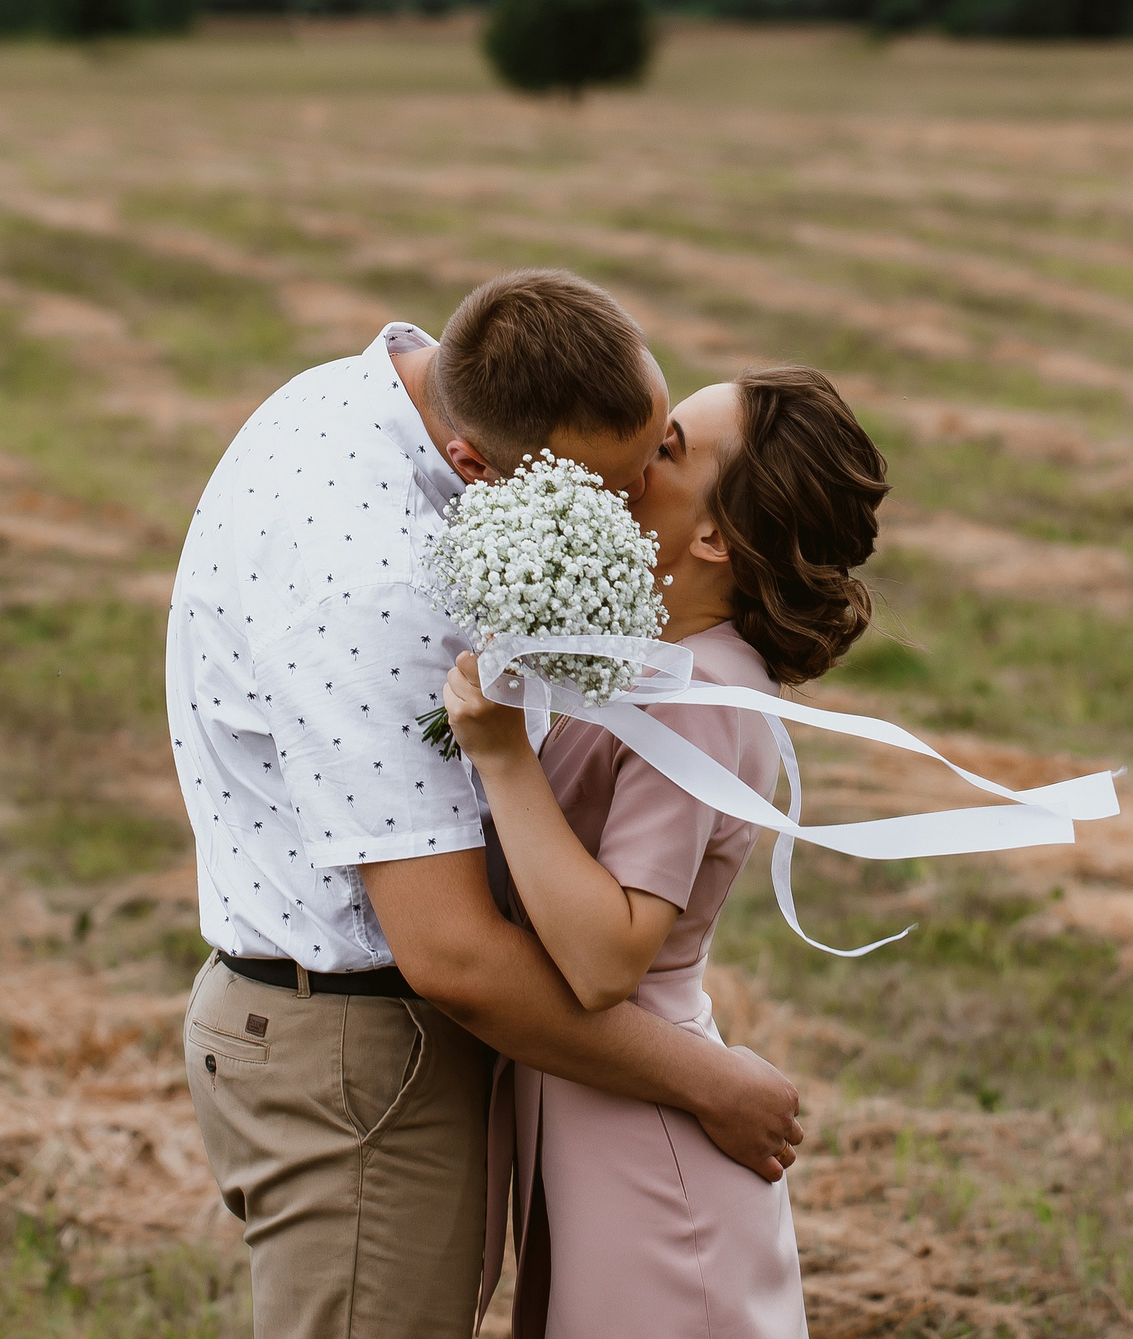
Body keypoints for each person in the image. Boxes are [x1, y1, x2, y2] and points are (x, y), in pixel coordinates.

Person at [167, 271, 806, 1339]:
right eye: (611, 484)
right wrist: (709, 1081)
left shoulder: (362, 396)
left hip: (384, 1043)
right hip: (360, 1057)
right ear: (476, 462)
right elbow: (455, 957)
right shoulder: (378, 588)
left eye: (657, 456)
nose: (631, 504)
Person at [442, 366, 890, 1339]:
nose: (637, 457)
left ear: (716, 536)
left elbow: (608, 959)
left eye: (668, 449)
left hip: (650, 1160)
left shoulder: (695, 699)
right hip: (600, 1118)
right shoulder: (661, 667)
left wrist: (502, 756)